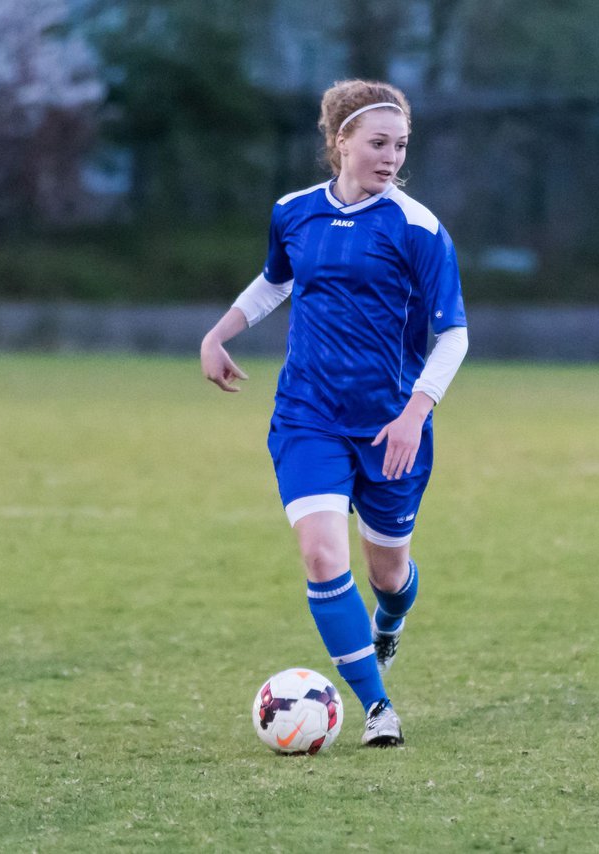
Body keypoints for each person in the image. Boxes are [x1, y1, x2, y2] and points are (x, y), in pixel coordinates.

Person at [201, 80, 469, 747]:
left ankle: (390, 618)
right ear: (341, 141)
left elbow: (454, 334)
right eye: (378, 143)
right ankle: (379, 709)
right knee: (323, 556)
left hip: (390, 427)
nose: (390, 156)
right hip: (307, 416)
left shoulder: (417, 227)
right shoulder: (294, 212)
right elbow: (276, 281)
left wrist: (414, 412)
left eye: (400, 145)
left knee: (390, 575)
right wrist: (217, 333)